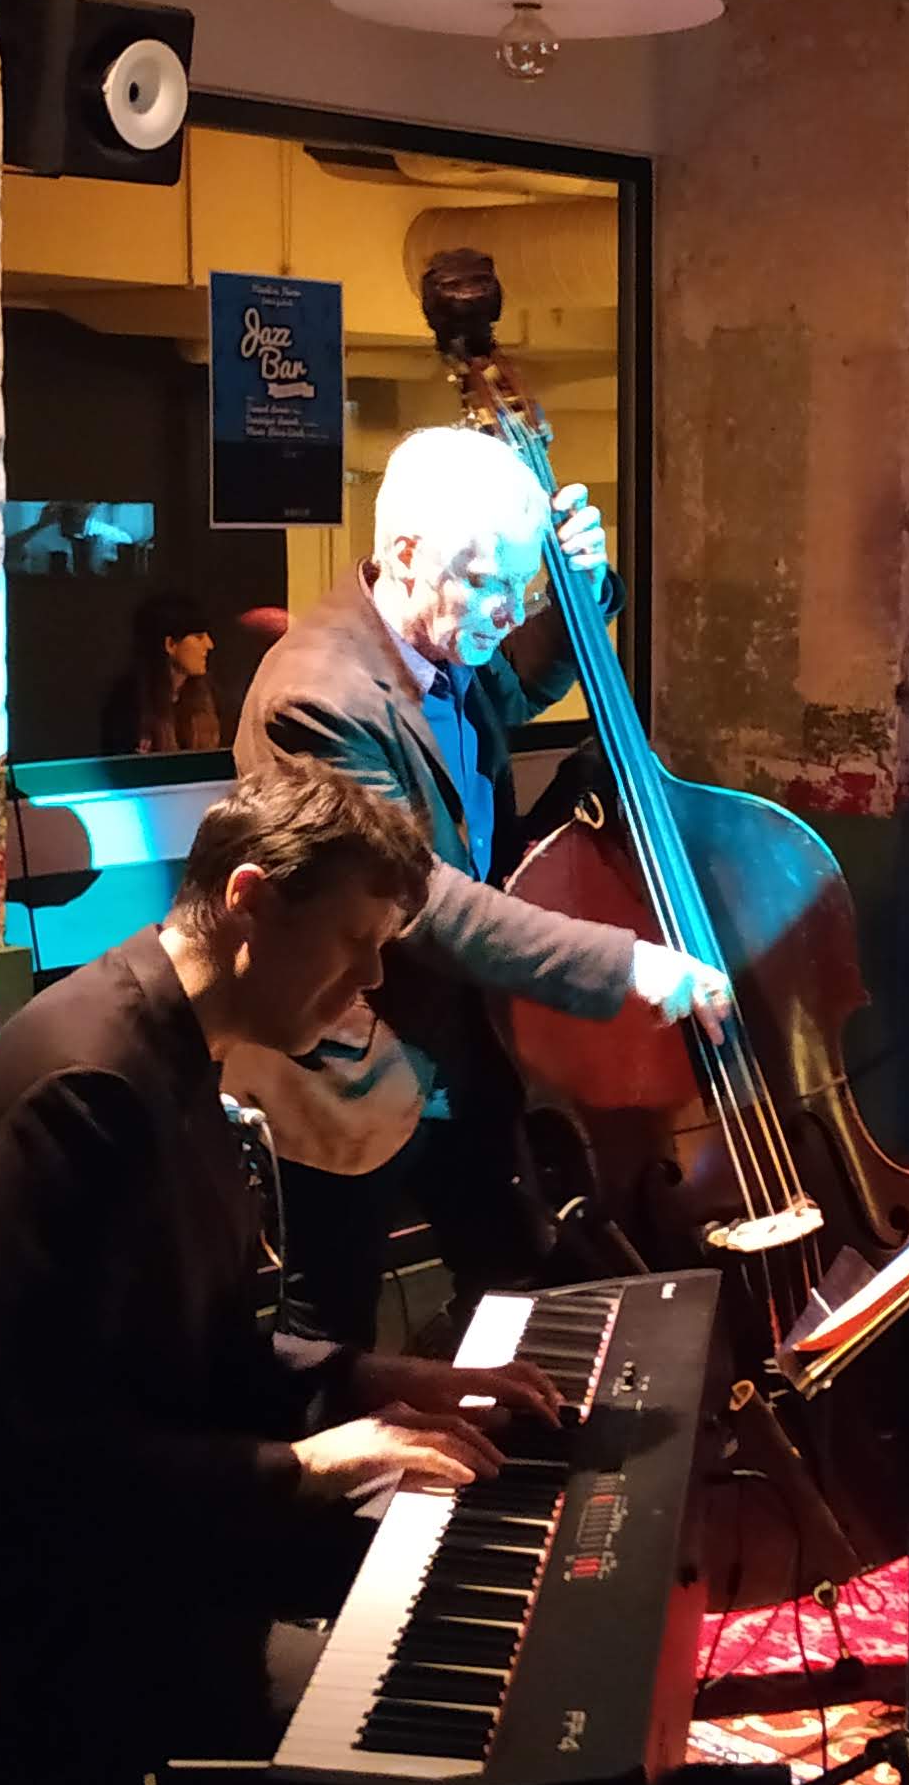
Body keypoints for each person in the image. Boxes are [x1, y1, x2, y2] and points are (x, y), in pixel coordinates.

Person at [0, 762, 571, 1785]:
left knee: (479, 1575)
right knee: (440, 1716)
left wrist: (374, 1379)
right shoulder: (83, 1094)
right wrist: (310, 1462)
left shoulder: (172, 1047)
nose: (372, 982)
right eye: (355, 942)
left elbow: (180, 1349)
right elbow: (46, 1468)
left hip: (108, 1551)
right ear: (251, 899)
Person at [236, 420, 731, 1346]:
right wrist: (630, 965)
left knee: (514, 1296)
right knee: (330, 1341)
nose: (506, 612)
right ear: (405, 554)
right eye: (488, 584)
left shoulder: (435, 644)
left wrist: (581, 592)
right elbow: (416, 897)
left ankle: (482, 1432)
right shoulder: (317, 695)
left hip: (464, 1050)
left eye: (522, 586)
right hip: (350, 1064)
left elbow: (510, 685)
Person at [112, 588, 220, 759]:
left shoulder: (208, 697)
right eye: (199, 637)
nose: (209, 645)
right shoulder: (129, 705)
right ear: (170, 644)